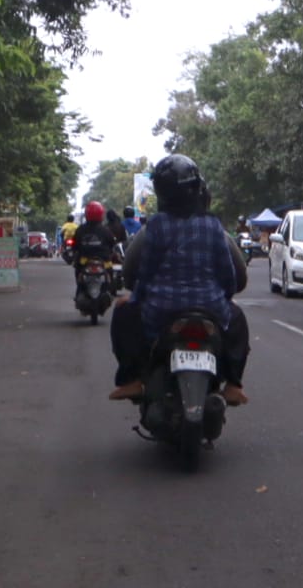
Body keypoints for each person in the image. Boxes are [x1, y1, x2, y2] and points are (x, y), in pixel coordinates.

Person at [107, 154, 251, 406]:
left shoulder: (156, 225)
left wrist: (135, 298)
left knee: (122, 313)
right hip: (211, 308)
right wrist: (226, 298)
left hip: (161, 310)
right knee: (238, 321)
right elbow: (228, 274)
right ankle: (234, 385)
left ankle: (131, 379)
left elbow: (146, 272)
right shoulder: (214, 226)